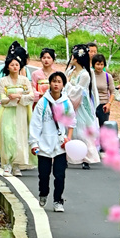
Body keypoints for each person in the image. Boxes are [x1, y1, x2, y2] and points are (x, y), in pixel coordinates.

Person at [30, 71, 75, 212]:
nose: (56, 84)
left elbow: (72, 122)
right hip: (44, 145)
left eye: (59, 82)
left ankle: (58, 201)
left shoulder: (67, 103)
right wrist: (34, 143)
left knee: (60, 175)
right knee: (43, 175)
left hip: (60, 145)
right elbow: (35, 124)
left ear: (63, 85)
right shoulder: (43, 102)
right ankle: (43, 194)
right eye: (54, 81)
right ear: (50, 83)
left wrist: (68, 138)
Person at [0, 52, 35, 174]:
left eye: (17, 65)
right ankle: (7, 164)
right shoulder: (3, 81)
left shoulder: (25, 80)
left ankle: (17, 165)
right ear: (7, 67)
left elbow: (31, 96)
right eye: (12, 65)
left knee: (20, 137)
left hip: (21, 112)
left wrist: (17, 96)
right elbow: (3, 99)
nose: (15, 67)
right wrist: (11, 99)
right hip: (8, 112)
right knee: (8, 136)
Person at [65, 44, 100, 167]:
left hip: (81, 105)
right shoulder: (70, 71)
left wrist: (68, 84)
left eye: (73, 56)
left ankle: (87, 157)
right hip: (70, 103)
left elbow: (77, 91)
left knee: (82, 132)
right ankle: (72, 157)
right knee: (71, 131)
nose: (71, 59)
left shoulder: (85, 74)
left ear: (77, 58)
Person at [92, 53, 115, 131]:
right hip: (92, 104)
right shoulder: (89, 75)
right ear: (93, 64)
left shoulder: (108, 76)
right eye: (98, 64)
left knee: (103, 129)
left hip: (103, 105)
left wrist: (109, 104)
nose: (99, 66)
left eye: (101, 64)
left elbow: (113, 92)